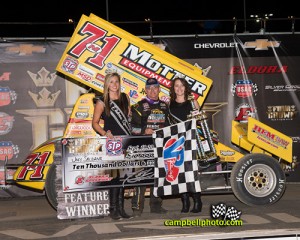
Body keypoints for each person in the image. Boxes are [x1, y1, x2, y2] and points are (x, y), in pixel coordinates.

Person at [92, 72, 132, 220]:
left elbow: (128, 118)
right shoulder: (102, 102)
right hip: (112, 142)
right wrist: (104, 133)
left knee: (123, 176)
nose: (114, 84)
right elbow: (94, 123)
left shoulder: (125, 98)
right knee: (114, 176)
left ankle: (121, 209)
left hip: (125, 140)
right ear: (107, 84)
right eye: (111, 82)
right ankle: (112, 208)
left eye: (116, 82)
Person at [130, 77, 170, 216]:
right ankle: (137, 208)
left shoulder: (165, 106)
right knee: (141, 176)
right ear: (146, 90)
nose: (153, 91)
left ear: (159, 89)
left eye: (155, 88)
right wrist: (143, 131)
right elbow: (131, 129)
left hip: (160, 146)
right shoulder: (139, 106)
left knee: (159, 176)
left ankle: (156, 206)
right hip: (143, 147)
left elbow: (170, 126)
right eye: (149, 88)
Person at [169, 77, 202, 213]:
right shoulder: (169, 105)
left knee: (192, 172)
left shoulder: (193, 103)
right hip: (176, 144)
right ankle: (185, 202)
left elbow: (199, 121)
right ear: (173, 88)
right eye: (176, 86)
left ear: (186, 88)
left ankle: (197, 200)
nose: (179, 88)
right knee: (180, 174)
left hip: (191, 142)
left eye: (182, 86)